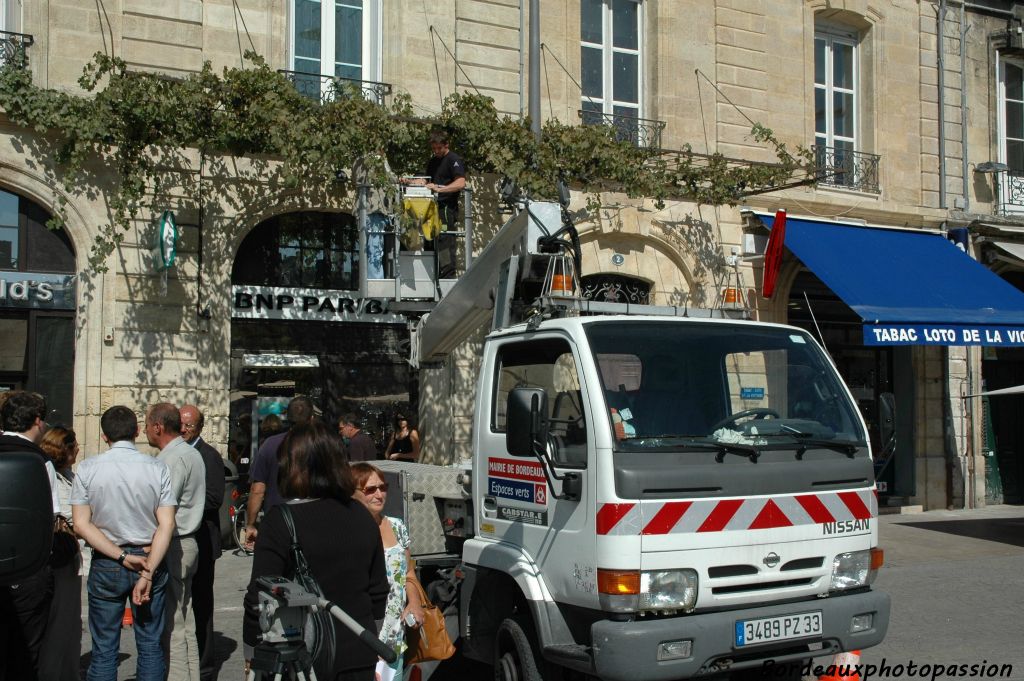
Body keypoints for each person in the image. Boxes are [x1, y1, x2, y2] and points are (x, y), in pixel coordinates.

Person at [242, 422, 389, 681]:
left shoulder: (281, 521)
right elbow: (378, 592)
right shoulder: (362, 516)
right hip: (359, 654)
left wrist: (252, 652)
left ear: (294, 466)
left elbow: (259, 597)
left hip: (301, 659)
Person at [70, 405, 177, 681]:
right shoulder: (157, 468)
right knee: (151, 644)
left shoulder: (88, 468)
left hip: (108, 560)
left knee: (104, 649)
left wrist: (120, 557)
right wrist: (149, 570)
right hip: (148, 557)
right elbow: (166, 524)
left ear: (105, 436)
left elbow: (81, 524)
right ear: (138, 431)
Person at [0, 391, 59, 681]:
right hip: (29, 572)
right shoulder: (41, 461)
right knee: (27, 651)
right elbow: (53, 518)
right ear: (37, 421)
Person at [146, 403, 206, 681]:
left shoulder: (172, 459)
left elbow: (164, 509)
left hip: (176, 543)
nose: (145, 430)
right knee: (184, 618)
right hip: (184, 541)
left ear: (158, 427)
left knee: (173, 622)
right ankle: (190, 675)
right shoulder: (188, 453)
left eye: (147, 425)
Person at [351, 463, 424, 681]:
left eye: (383, 487)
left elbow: (408, 571)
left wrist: (414, 602)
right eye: (370, 489)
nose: (379, 494)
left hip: (393, 635)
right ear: (352, 493)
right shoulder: (348, 533)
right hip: (361, 636)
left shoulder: (397, 526)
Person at [179, 404, 226, 681]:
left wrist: (177, 505)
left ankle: (206, 663)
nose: (184, 429)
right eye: (181, 423)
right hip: (182, 540)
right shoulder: (177, 453)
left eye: (189, 425)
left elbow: (214, 498)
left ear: (199, 427)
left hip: (203, 540)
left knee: (202, 602)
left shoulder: (208, 456)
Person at [38, 426, 83, 681]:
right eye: (73, 444)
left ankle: (68, 671)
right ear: (63, 449)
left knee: (70, 620)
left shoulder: (69, 475)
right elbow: (70, 516)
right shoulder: (53, 478)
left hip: (71, 557)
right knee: (60, 619)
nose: (78, 448)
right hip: (60, 557)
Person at [245, 395, 316, 550]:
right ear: (312, 418)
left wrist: (250, 524)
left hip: (278, 521)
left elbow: (257, 490)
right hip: (315, 521)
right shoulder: (323, 444)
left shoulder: (269, 445)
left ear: (287, 418)